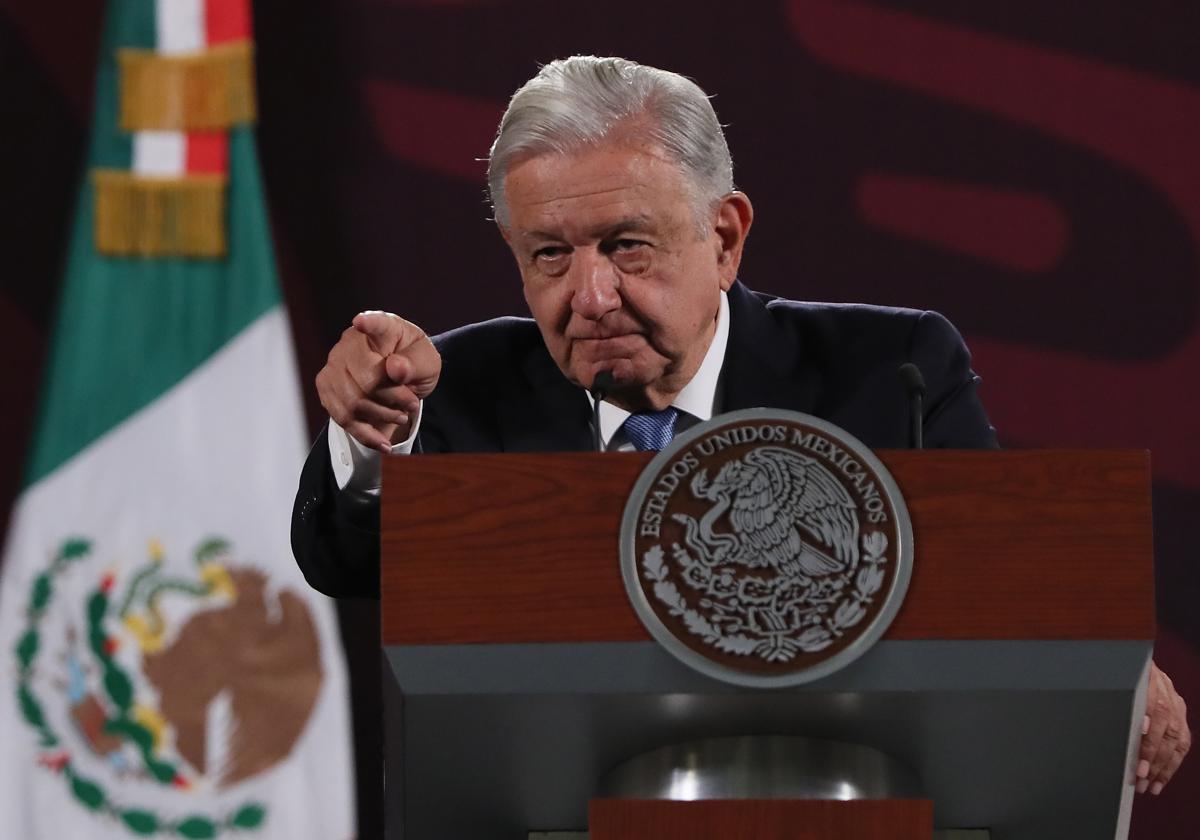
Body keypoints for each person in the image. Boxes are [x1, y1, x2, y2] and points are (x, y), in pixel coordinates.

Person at [290, 55, 1189, 794]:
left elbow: (1002, 571)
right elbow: (344, 561)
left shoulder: (891, 373)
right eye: (550, 256)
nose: (590, 295)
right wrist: (375, 438)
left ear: (724, 238)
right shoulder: (457, 388)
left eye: (626, 245)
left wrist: (1100, 658)